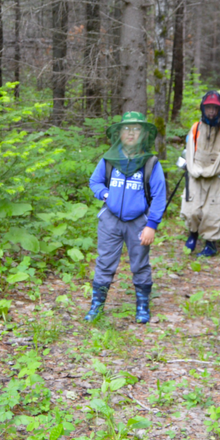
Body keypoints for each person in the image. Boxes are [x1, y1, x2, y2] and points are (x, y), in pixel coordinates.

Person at [85, 112, 166, 324]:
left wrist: (152, 225)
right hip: (110, 221)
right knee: (104, 262)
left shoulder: (150, 163)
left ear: (144, 134)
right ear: (119, 133)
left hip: (138, 222)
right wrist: (105, 194)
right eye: (126, 129)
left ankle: (142, 305)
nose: (131, 133)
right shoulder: (109, 159)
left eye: (136, 129)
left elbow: (159, 196)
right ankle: (97, 306)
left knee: (140, 264)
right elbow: (95, 182)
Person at [180, 91, 220, 258]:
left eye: (214, 109)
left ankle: (210, 243)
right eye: (208, 108)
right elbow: (190, 151)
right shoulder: (196, 128)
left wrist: (211, 171)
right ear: (203, 109)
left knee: (213, 210)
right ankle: (193, 234)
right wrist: (195, 169)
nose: (211, 112)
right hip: (195, 174)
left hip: (216, 177)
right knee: (191, 208)